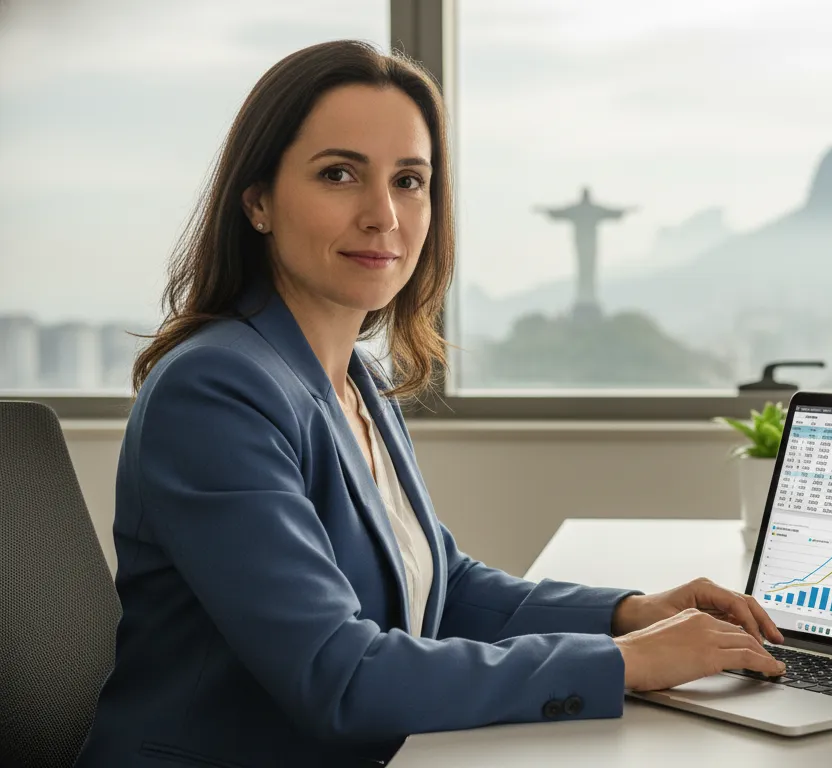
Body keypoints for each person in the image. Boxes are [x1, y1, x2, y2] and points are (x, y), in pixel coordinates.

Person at [75, 40, 784, 767]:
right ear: (257, 201)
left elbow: (444, 587)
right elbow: (339, 674)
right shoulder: (215, 392)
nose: (383, 214)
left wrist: (630, 614)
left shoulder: (352, 378)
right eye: (339, 174)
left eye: (409, 180)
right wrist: (624, 664)